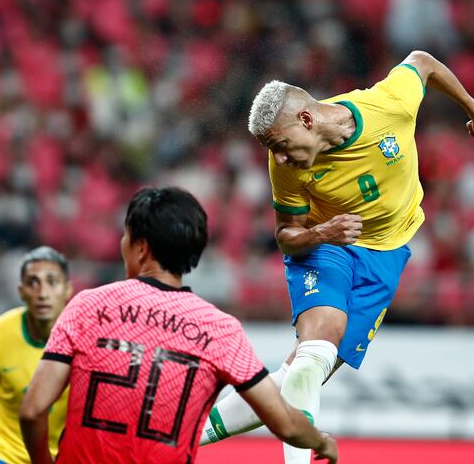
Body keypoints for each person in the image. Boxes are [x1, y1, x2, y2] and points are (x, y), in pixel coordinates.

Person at [200, 51, 474, 463]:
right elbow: (285, 235)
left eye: (280, 146)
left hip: (385, 253)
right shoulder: (287, 166)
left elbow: (423, 62)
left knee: (300, 374)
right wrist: (320, 233)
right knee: (317, 350)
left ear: (306, 121)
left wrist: (471, 106)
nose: (277, 159)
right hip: (326, 248)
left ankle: (182, 437)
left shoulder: (387, 106)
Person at [19, 187, 338, 464]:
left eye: (126, 236)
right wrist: (322, 442)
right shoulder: (219, 329)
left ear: (140, 247)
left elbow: (33, 411)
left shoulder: (88, 306)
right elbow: (286, 423)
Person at [0, 246, 74, 464]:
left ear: (68, 290)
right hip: (2, 452)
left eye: (52, 282)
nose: (42, 293)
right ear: (21, 291)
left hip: (58, 457)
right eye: (33, 282)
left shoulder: (83, 338)